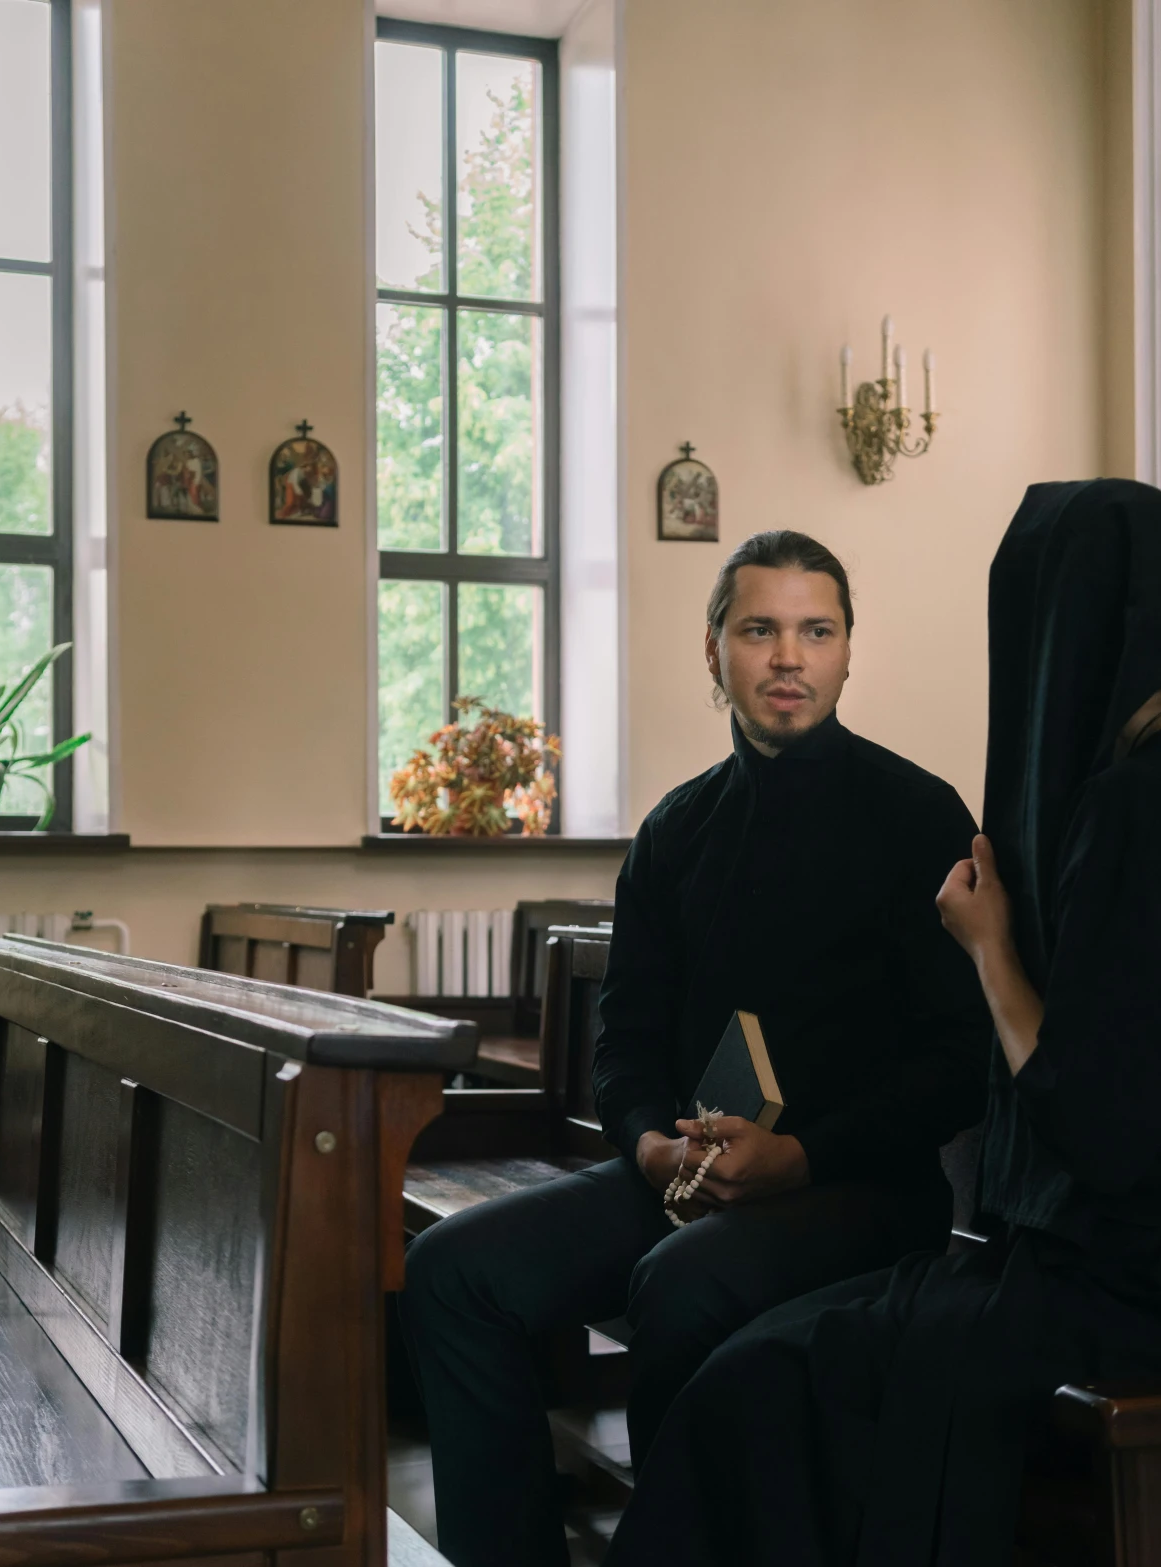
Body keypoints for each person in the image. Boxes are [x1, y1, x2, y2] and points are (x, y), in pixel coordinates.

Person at [607, 479, 1161, 1567]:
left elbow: (1091, 1119)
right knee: (765, 1364)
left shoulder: (1151, 802)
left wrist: (988, 945)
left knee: (759, 1389)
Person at [400, 529, 992, 1567]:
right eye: (759, 630)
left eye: (817, 631)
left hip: (861, 1191)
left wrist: (803, 1154)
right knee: (453, 1271)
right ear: (711, 649)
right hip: (690, 1179)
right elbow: (621, 1039)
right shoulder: (675, 832)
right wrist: (647, 1147)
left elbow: (956, 1062)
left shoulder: (916, 814)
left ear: (849, 652)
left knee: (683, 1281)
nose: (788, 658)